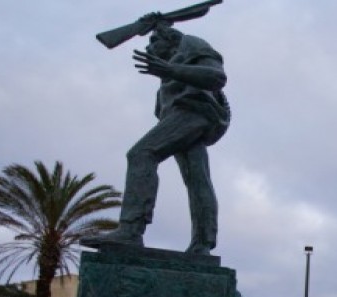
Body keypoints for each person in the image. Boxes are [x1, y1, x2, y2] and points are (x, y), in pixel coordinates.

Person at [81, 21, 231, 255]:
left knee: (142, 153)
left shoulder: (191, 43)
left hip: (193, 111)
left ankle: (131, 230)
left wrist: (170, 70)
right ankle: (202, 244)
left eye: (154, 41)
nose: (149, 49)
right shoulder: (170, 72)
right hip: (187, 114)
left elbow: (216, 77)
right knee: (197, 177)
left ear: (171, 40)